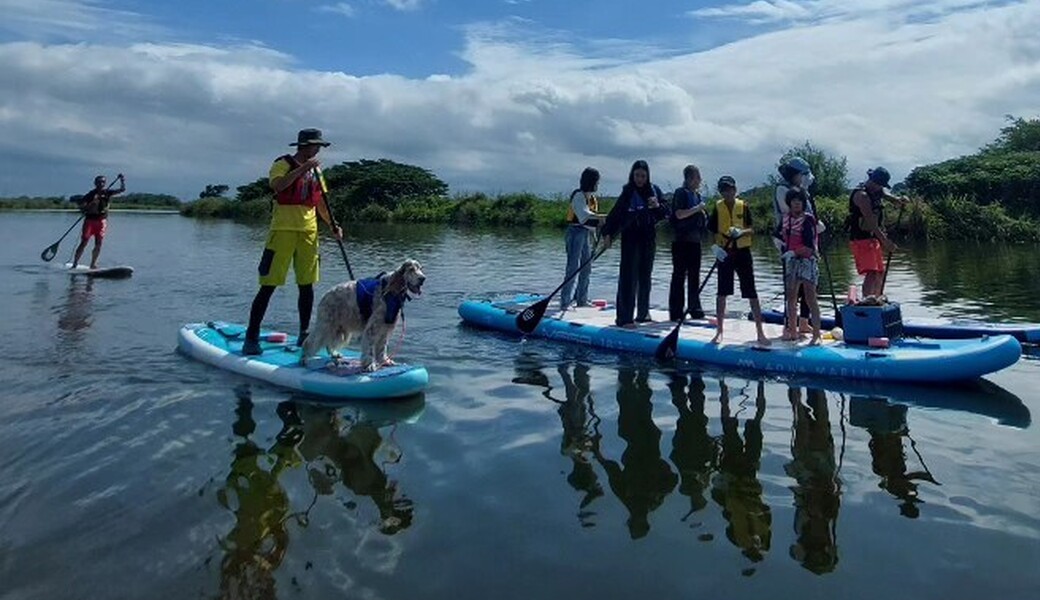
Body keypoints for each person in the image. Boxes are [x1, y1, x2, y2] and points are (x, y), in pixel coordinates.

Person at [243, 128, 343, 356]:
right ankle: (251, 336)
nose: (318, 150)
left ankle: (304, 334)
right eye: (316, 146)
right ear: (305, 146)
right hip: (283, 230)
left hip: (308, 232)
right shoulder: (282, 163)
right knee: (269, 285)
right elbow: (278, 186)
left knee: (306, 285)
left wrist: (333, 225)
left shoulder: (317, 171)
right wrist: (302, 169)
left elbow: (321, 203)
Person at [599, 160, 668, 328]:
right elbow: (616, 215)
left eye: (643, 176)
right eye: (637, 175)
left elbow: (665, 213)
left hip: (648, 238)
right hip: (630, 239)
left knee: (645, 277)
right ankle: (624, 318)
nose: (640, 179)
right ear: (632, 175)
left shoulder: (654, 191)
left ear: (647, 176)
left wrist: (657, 206)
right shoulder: (628, 192)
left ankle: (643, 314)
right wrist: (607, 234)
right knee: (629, 278)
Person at [707, 176, 770, 345]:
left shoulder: (744, 206)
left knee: (751, 291)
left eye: (730, 189)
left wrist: (741, 232)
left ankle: (760, 333)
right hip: (725, 253)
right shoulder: (717, 207)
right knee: (722, 292)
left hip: (743, 252)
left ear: (735, 190)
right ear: (721, 191)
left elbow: (752, 229)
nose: (727, 192)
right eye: (724, 190)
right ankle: (719, 331)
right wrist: (715, 248)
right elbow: (712, 231)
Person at [774, 157, 822, 334]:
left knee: (809, 290)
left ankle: (804, 322)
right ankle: (790, 325)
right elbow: (789, 213)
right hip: (789, 243)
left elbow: (807, 216)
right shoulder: (782, 189)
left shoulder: (804, 192)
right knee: (792, 289)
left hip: (807, 246)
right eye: (802, 175)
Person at [848, 166, 908, 299]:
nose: (880, 187)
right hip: (861, 239)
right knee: (872, 271)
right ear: (873, 181)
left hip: (873, 238)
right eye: (879, 185)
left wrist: (897, 200)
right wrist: (886, 242)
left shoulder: (877, 190)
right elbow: (871, 223)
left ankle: (877, 299)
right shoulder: (862, 196)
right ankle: (867, 302)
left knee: (879, 271)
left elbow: (885, 194)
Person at [560, 167, 606, 310]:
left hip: (587, 234)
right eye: (597, 181)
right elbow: (583, 216)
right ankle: (565, 301)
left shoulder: (592, 198)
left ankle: (581, 299)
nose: (598, 184)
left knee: (586, 267)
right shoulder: (578, 195)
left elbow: (593, 222)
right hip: (575, 233)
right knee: (573, 267)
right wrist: (601, 218)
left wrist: (597, 235)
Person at [668, 164, 708, 321]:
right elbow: (678, 214)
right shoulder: (680, 193)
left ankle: (694, 308)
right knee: (679, 276)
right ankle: (676, 311)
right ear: (690, 178)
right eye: (698, 177)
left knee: (694, 276)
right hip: (681, 241)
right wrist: (697, 209)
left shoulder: (697, 196)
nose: (699, 181)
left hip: (695, 241)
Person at [72, 173, 125, 269]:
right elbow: (82, 207)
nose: (101, 184)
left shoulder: (107, 192)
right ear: (95, 183)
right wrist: (91, 204)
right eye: (99, 182)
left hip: (101, 221)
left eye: (103, 182)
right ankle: (75, 263)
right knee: (84, 242)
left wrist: (122, 180)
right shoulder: (90, 194)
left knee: (99, 243)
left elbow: (122, 190)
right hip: (90, 221)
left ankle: (93, 264)